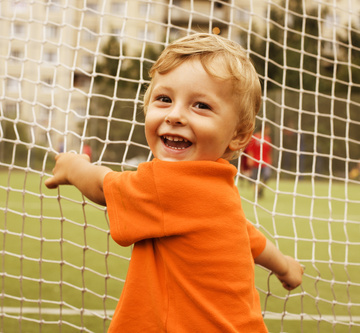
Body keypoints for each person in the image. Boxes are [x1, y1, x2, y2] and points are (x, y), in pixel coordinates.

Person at [45, 33, 303, 332]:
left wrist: (72, 165)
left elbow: (104, 186)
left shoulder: (169, 184)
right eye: (164, 99)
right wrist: (283, 265)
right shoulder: (216, 184)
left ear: (238, 135)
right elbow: (247, 237)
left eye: (201, 106)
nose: (176, 115)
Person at [246, 124, 272, 198]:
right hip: (255, 161)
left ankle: (261, 189)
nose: (269, 131)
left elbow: (269, 151)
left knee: (267, 175)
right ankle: (256, 192)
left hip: (265, 162)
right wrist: (250, 159)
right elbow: (250, 149)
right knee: (254, 179)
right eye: (268, 129)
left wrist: (270, 160)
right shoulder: (255, 137)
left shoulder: (268, 139)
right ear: (263, 128)